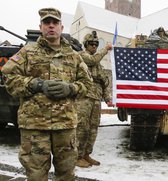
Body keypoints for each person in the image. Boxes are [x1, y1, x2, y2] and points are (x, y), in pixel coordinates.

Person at [1, 7, 92, 181]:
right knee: (36, 176)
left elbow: (87, 85)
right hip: (34, 126)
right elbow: (8, 77)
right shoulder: (27, 52)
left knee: (66, 175)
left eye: (55, 23)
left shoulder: (74, 56)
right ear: (41, 27)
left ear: (61, 27)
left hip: (65, 126)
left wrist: (70, 88)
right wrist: (36, 84)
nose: (51, 26)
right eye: (46, 23)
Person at [76, 31, 113, 168]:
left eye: (96, 44)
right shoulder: (82, 56)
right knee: (82, 128)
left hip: (96, 99)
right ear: (86, 45)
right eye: (91, 44)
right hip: (84, 98)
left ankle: (86, 154)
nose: (94, 46)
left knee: (93, 129)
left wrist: (108, 99)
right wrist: (106, 49)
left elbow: (104, 83)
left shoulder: (99, 66)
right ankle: (77, 156)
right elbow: (92, 60)